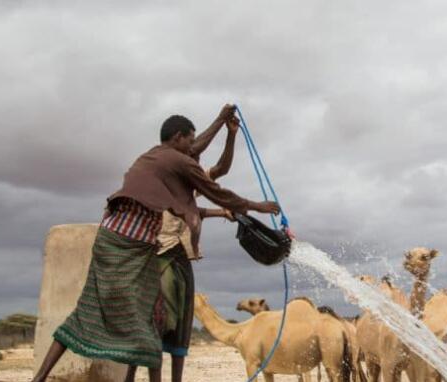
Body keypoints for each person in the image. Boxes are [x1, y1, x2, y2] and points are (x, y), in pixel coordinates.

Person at [31, 105, 279, 382]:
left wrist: (224, 126)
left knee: (111, 316)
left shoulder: (158, 159)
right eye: (189, 139)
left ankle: (39, 378)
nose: (193, 146)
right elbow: (217, 192)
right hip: (133, 246)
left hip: (117, 241)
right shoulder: (179, 162)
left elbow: (204, 163)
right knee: (143, 325)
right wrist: (258, 206)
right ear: (177, 138)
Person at [124, 112, 242, 382]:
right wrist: (220, 119)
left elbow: (220, 170)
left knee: (181, 325)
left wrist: (231, 135)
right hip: (157, 253)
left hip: (181, 256)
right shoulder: (161, 176)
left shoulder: (189, 179)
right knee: (153, 321)